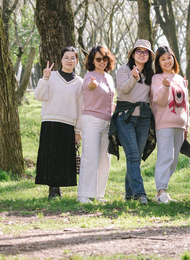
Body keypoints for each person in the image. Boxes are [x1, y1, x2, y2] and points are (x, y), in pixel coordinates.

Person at [34, 47, 83, 199]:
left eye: (73, 58)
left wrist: (78, 130)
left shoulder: (79, 82)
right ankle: (52, 190)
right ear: (61, 59)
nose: (69, 61)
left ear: (76, 61)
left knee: (63, 157)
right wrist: (45, 78)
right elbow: (39, 96)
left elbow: (80, 107)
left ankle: (57, 189)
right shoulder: (51, 76)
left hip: (68, 123)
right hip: (49, 121)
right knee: (50, 156)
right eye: (66, 57)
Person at [112, 39, 154, 204]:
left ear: (149, 56)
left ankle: (129, 194)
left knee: (135, 156)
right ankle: (140, 193)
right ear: (133, 54)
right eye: (139, 51)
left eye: (145, 52)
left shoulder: (151, 74)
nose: (142, 54)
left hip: (143, 118)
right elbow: (123, 90)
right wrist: (133, 77)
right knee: (133, 155)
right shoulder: (124, 70)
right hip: (125, 117)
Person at [78, 46, 116, 203]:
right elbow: (88, 85)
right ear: (92, 61)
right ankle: (83, 195)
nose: (102, 62)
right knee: (90, 158)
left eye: (104, 59)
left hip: (107, 122)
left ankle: (99, 194)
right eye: (98, 59)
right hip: (91, 121)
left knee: (104, 159)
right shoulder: (89, 76)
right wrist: (91, 86)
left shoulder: (109, 78)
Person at [151, 46, 189, 204]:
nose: (167, 61)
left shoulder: (179, 78)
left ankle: (163, 190)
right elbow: (159, 101)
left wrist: (187, 126)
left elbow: (186, 104)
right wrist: (165, 86)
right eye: (163, 59)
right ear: (158, 63)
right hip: (164, 124)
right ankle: (161, 192)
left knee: (173, 160)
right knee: (165, 157)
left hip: (180, 125)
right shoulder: (157, 78)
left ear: (174, 58)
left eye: (169, 57)